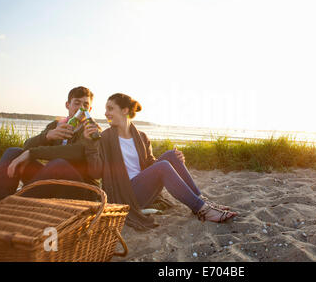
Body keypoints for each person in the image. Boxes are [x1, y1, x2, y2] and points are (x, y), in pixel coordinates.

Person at [83, 93, 238, 231]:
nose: (106, 113)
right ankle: (202, 208)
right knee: (163, 166)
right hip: (125, 194)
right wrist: (90, 144)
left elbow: (150, 163)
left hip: (142, 189)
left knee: (171, 155)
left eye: (110, 108)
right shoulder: (104, 138)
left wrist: (175, 163)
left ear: (124, 110)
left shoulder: (141, 136)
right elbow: (96, 173)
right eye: (106, 109)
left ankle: (201, 200)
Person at [0, 86, 99, 210]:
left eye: (85, 105)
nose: (81, 108)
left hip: (81, 189)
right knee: (14, 152)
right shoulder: (56, 125)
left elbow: (76, 152)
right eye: (77, 103)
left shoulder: (92, 129)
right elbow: (26, 146)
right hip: (53, 182)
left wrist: (32, 153)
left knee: (59, 164)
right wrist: (47, 136)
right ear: (67, 105)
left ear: (89, 109)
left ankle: (11, 208)